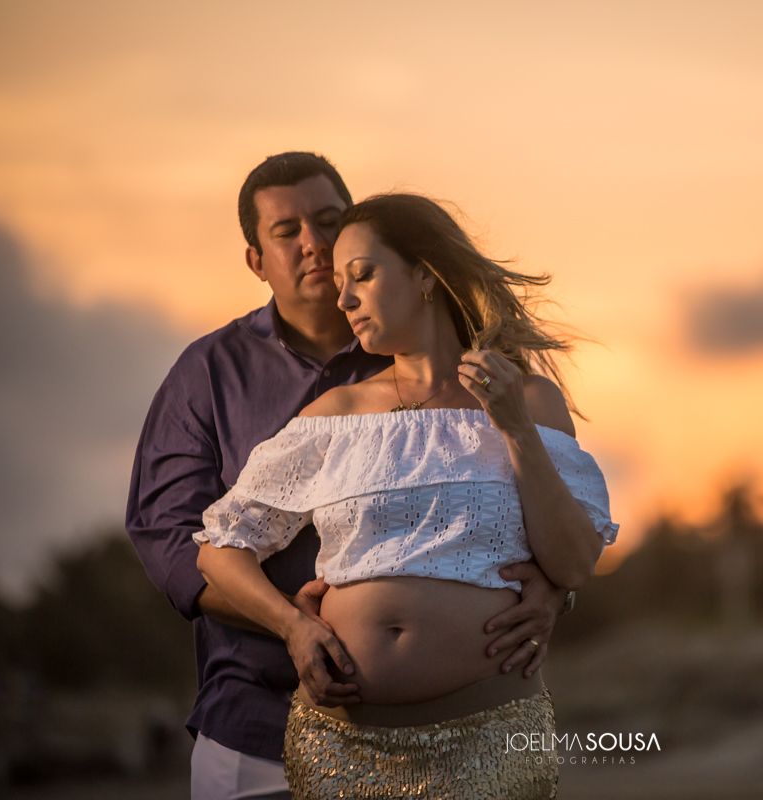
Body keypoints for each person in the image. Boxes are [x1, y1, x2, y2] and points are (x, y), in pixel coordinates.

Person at [126, 154, 569, 800]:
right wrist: (295, 623)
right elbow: (173, 543)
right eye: (287, 231)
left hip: (465, 729)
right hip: (256, 715)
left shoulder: (436, 367)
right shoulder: (208, 374)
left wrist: (552, 589)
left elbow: (540, 510)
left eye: (329, 221)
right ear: (256, 260)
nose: (313, 242)